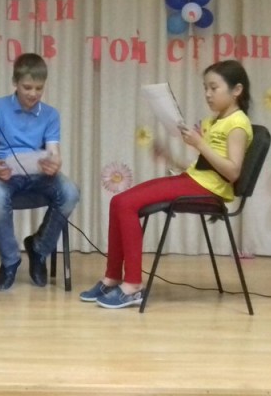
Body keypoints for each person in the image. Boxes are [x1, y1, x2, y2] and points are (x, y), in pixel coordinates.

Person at [81, 59, 253, 308]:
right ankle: (112, 277)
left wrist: (200, 143)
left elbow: (233, 172)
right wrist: (170, 158)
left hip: (209, 190)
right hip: (196, 181)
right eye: (205, 88)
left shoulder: (238, 123)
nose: (207, 94)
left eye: (214, 88)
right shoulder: (213, 121)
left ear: (236, 90)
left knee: (126, 204)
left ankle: (132, 286)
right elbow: (204, 167)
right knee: (118, 201)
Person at [0, 53, 80, 290]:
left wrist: (55, 163)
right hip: (4, 173)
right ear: (15, 82)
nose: (33, 94)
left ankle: (39, 249)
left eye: (39, 88)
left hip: (37, 173)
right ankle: (10, 260)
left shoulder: (51, 114)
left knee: (71, 192)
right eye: (27, 87)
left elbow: (54, 152)